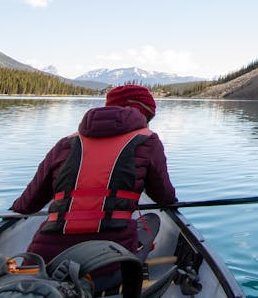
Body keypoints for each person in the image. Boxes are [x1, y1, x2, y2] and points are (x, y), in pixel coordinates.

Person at [10, 83, 177, 264]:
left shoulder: (66, 143)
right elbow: (165, 198)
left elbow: (26, 205)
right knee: (151, 222)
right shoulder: (147, 141)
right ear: (143, 113)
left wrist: (16, 208)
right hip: (111, 258)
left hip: (44, 258)